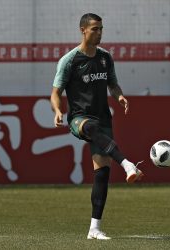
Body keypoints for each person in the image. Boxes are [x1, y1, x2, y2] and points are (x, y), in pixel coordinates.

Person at [50, 13, 144, 240]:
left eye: (101, 28)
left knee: (101, 174)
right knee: (91, 128)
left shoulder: (105, 57)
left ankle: (94, 229)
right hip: (79, 118)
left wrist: (120, 96)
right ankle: (128, 164)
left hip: (103, 119)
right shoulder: (69, 60)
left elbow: (113, 83)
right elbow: (55, 92)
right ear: (83, 30)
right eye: (95, 29)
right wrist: (58, 110)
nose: (99, 33)